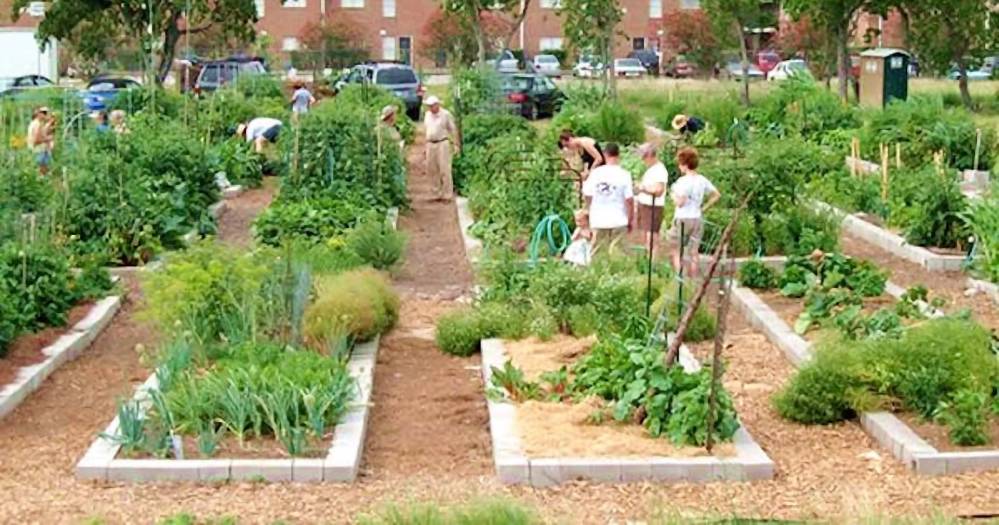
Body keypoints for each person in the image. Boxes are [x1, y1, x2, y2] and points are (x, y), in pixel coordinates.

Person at [668, 146, 721, 279]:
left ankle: (680, 280)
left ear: (684, 165)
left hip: (682, 218)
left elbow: (680, 202)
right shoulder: (701, 180)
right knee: (694, 252)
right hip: (697, 218)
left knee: (676, 251)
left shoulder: (683, 182)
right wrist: (704, 208)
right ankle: (694, 280)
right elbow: (716, 195)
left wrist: (672, 195)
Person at [583, 143, 633, 257]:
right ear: (618, 155)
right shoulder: (624, 174)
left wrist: (590, 210)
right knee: (618, 254)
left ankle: (596, 273)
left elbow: (587, 194)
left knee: (596, 253)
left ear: (605, 155)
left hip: (599, 219)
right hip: (619, 219)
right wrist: (630, 219)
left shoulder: (595, 173)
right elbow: (629, 200)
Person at [634, 142, 669, 259]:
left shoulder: (659, 170)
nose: (642, 160)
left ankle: (652, 263)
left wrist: (642, 188)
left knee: (652, 238)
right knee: (647, 236)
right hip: (645, 205)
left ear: (650, 155)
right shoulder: (652, 169)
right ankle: (648, 260)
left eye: (644, 157)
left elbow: (659, 190)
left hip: (652, 207)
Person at [424, 95, 459, 202]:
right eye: (429, 106)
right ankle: (435, 193)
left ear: (437, 105)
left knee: (445, 169)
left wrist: (456, 144)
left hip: (442, 143)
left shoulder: (445, 114)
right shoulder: (427, 115)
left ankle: (447, 194)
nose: (430, 108)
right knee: (431, 169)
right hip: (430, 143)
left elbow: (453, 129)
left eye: (432, 106)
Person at [26, 107, 55, 175]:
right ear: (38, 114)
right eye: (44, 113)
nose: (45, 115)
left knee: (40, 169)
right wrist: (48, 139)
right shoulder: (37, 124)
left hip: (34, 149)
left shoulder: (33, 123)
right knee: (42, 170)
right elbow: (37, 139)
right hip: (38, 149)